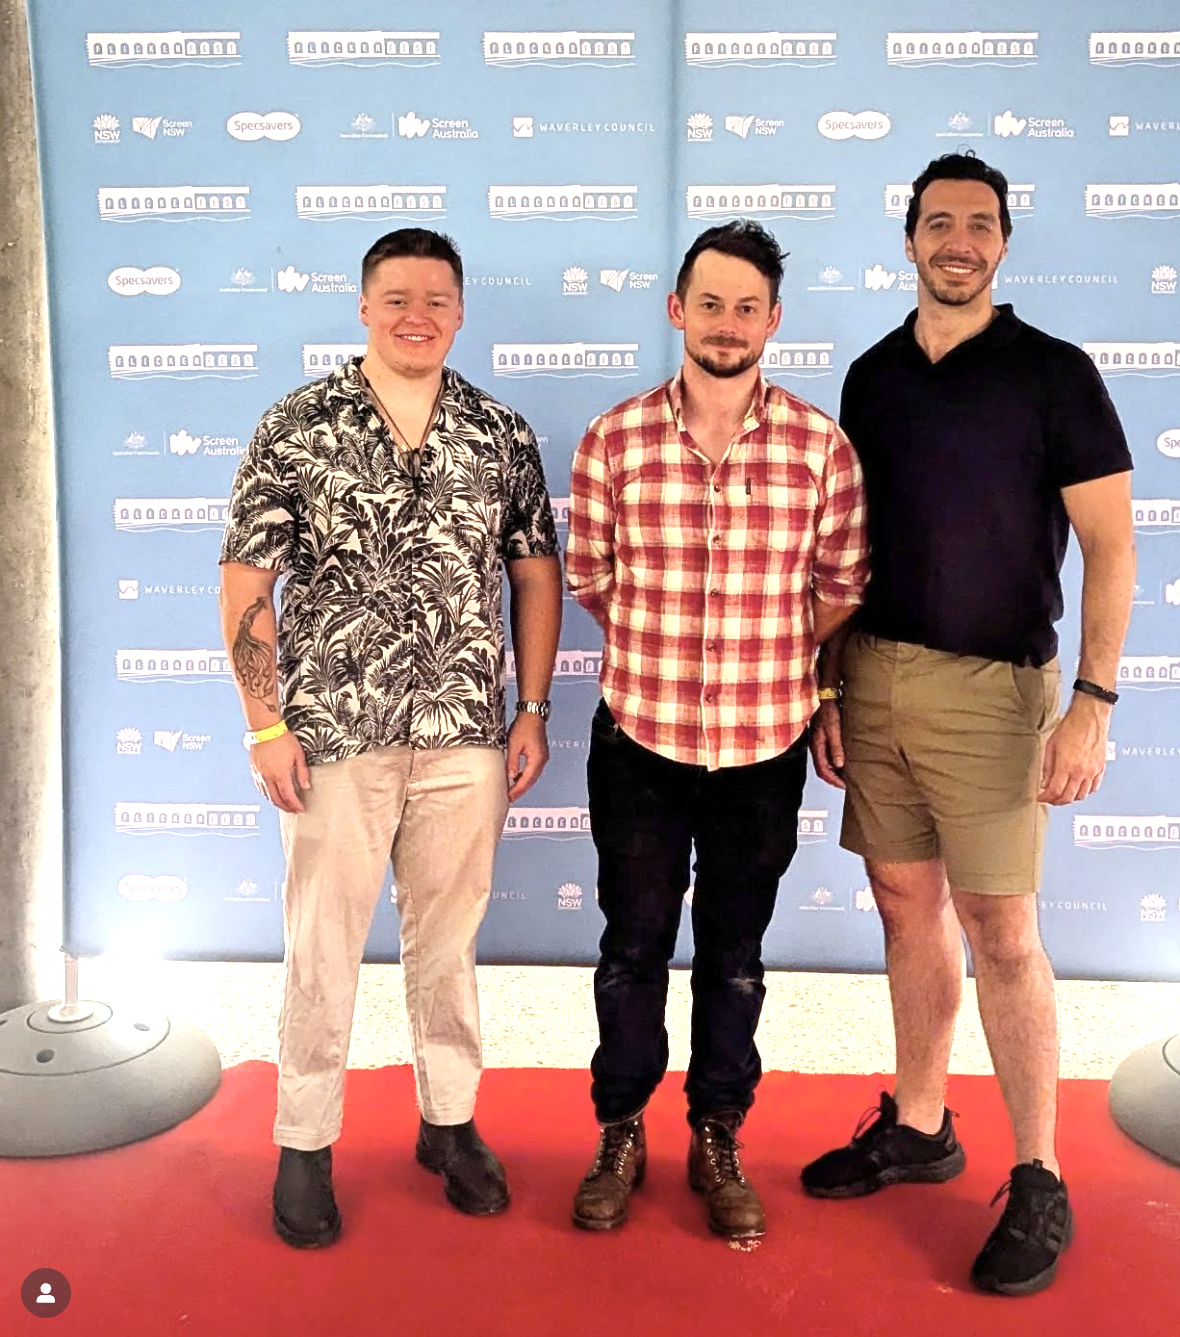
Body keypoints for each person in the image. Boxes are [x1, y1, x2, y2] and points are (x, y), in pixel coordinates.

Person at [799, 153, 1135, 1296]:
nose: (958, 240)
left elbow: (1113, 546)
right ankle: (922, 1123)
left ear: (1003, 243)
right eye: (938, 221)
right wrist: (833, 684)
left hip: (999, 691)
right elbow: (847, 554)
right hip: (879, 677)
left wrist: (1091, 703)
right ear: (907, 239)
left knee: (1001, 925)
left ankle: (1039, 1174)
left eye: (979, 224)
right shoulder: (872, 377)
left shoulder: (1056, 374)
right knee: (905, 905)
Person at [218, 228, 562, 1249]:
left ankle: (449, 1122)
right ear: (365, 305)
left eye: (438, 299)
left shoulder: (498, 431)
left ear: (460, 311)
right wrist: (264, 723)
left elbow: (534, 572)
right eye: (398, 297)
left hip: (464, 733)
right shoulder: (298, 424)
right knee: (322, 948)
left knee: (448, 946)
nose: (419, 315)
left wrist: (532, 707)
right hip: (330, 734)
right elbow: (248, 582)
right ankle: (305, 1140)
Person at [565, 220, 870, 1239]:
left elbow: (839, 587)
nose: (728, 324)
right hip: (641, 741)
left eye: (748, 307)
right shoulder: (613, 439)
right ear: (675, 309)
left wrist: (760, 661)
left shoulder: (820, 446)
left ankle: (716, 1133)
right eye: (711, 303)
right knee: (631, 949)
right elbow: (592, 577)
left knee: (735, 957)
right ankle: (619, 1129)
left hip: (762, 749)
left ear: (773, 321)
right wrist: (674, 650)